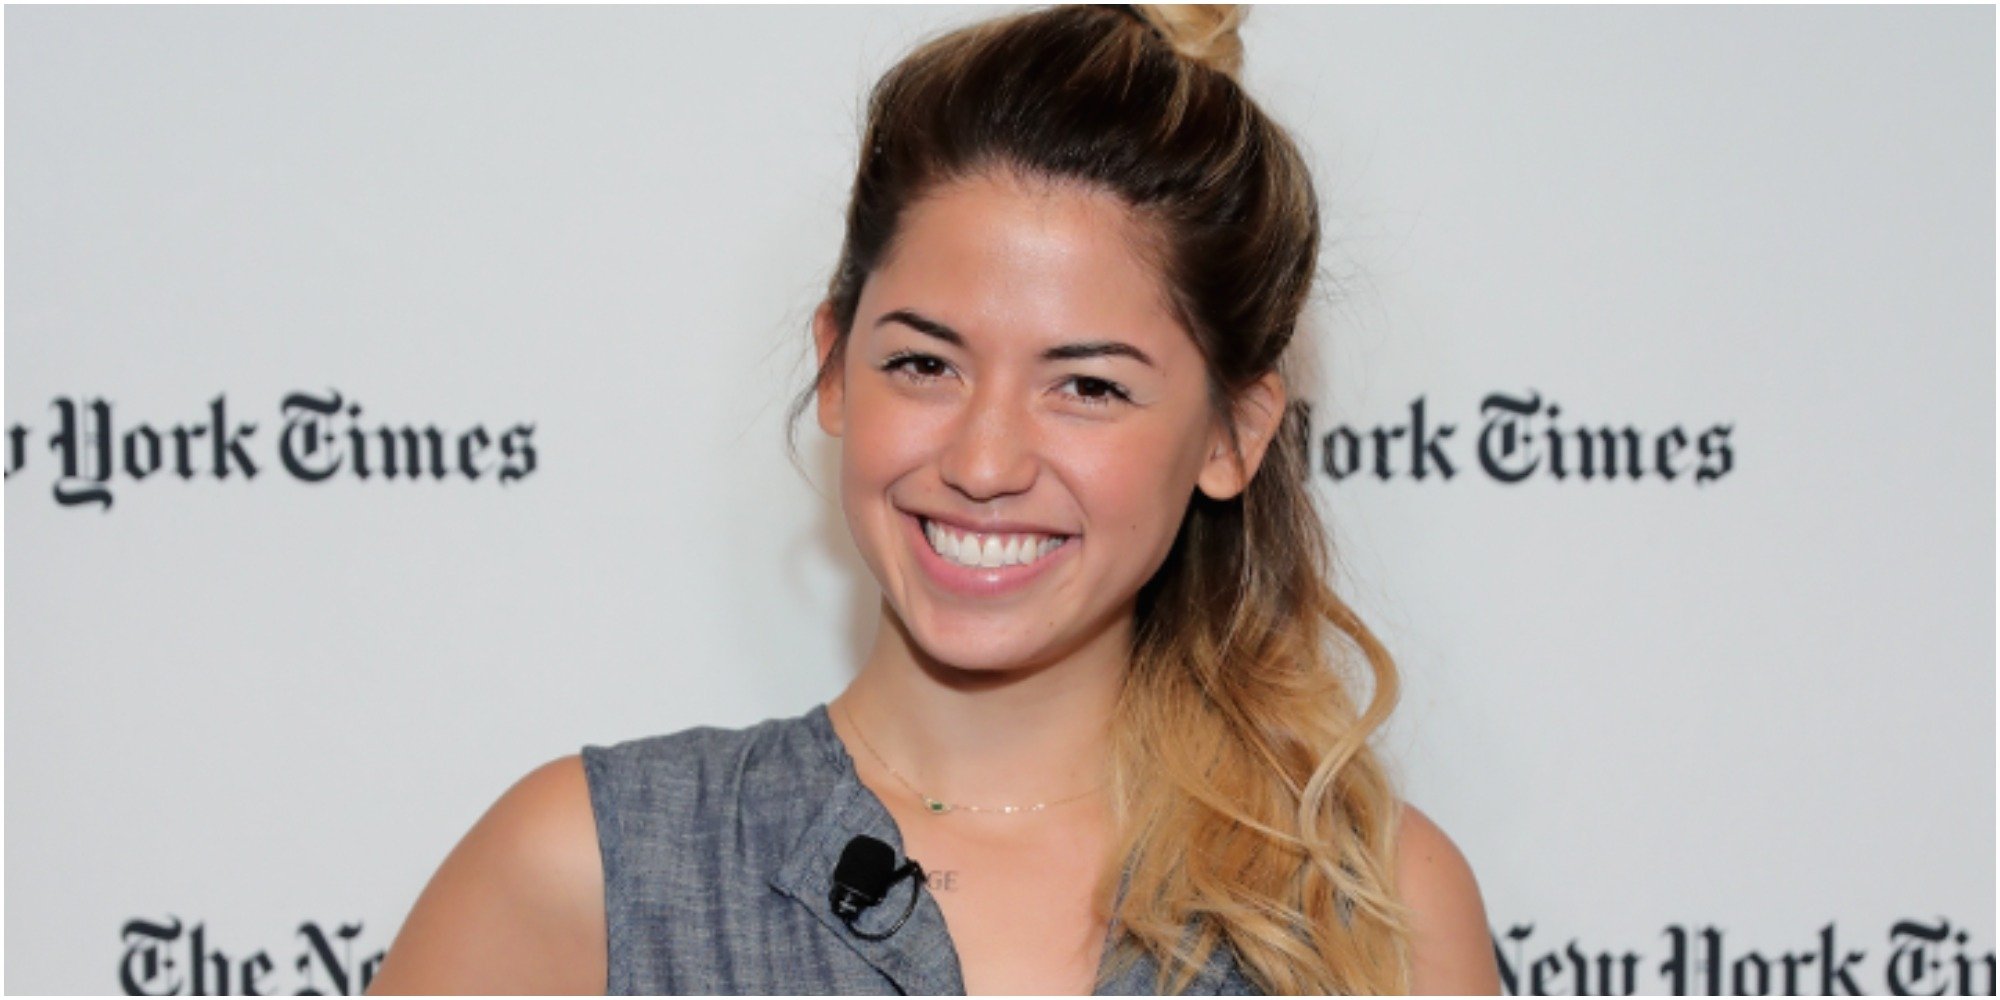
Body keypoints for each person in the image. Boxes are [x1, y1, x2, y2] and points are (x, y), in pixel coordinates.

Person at [368, 6, 1501, 995]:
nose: (985, 458)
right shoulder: (589, 871)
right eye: (924, 363)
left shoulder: (1375, 912)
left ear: (1232, 432)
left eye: (1088, 385)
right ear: (833, 368)